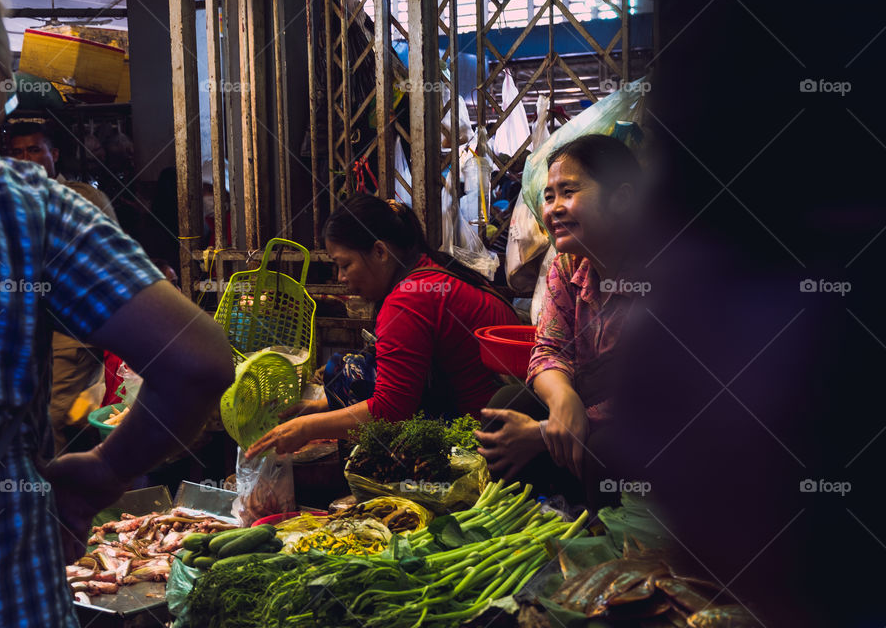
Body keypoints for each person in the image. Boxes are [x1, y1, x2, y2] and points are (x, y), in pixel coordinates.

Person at [0, 0, 234, 626]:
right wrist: (105, 469)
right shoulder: (12, 203)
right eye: (0, 71)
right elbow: (197, 360)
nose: (1, 93)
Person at [245, 193, 519, 458]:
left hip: (485, 441)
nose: (341, 278)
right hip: (505, 422)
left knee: (348, 370)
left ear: (379, 251)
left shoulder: (409, 299)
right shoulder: (432, 268)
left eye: (345, 264)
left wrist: (307, 428)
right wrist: (319, 408)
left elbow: (391, 411)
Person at [474, 134, 643, 504]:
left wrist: (544, 431)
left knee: (610, 448)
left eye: (568, 191)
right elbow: (548, 347)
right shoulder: (568, 264)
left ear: (622, 198)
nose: (553, 208)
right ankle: (547, 511)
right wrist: (563, 397)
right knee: (507, 405)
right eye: (549, 196)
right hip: (585, 416)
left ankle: (610, 534)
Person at [6, 121, 122, 455]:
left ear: (53, 154)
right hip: (22, 329)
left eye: (34, 150)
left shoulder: (81, 198)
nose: (26, 159)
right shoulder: (7, 203)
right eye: (17, 152)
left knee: (57, 417)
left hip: (70, 330)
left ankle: (66, 495)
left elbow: (109, 260)